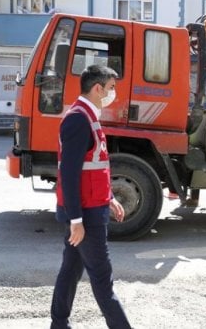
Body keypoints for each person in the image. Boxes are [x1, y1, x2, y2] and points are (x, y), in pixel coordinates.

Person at [50, 64, 131, 329]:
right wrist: (76, 219)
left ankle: (59, 323)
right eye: (110, 88)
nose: (113, 93)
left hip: (91, 207)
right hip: (86, 214)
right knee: (102, 279)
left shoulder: (87, 115)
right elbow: (69, 173)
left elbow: (92, 167)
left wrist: (108, 196)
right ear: (97, 88)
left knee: (71, 269)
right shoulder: (78, 118)